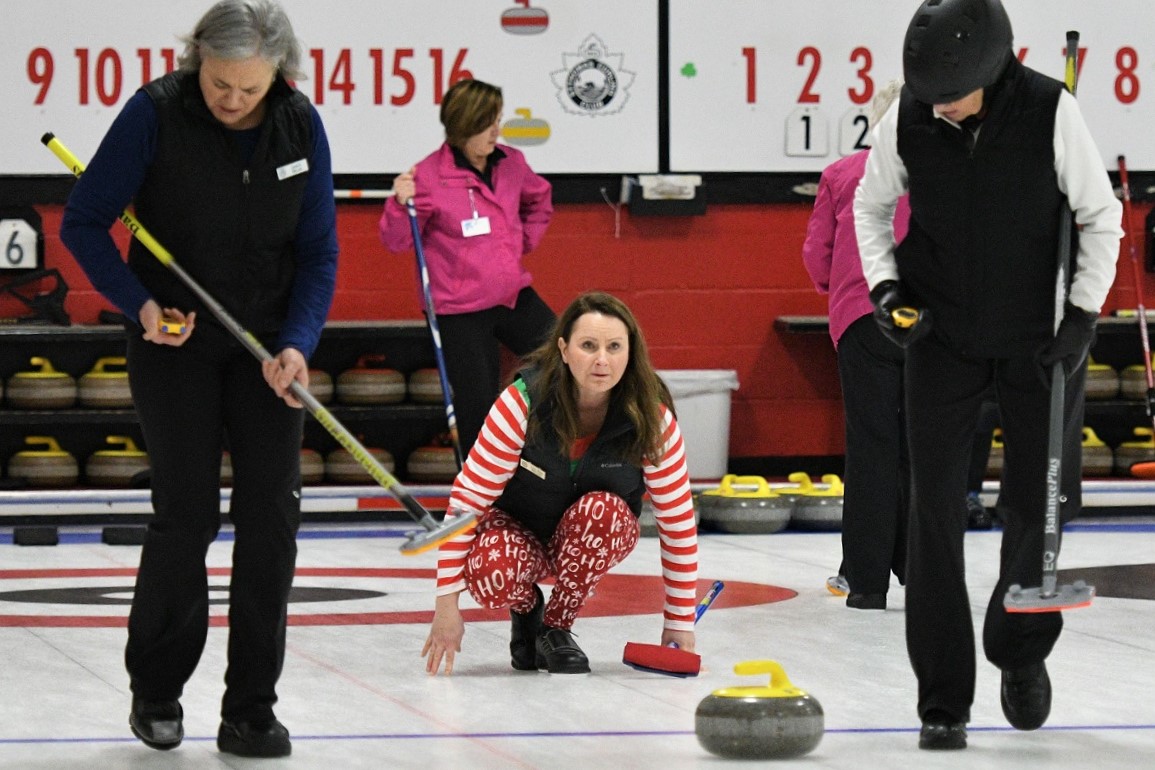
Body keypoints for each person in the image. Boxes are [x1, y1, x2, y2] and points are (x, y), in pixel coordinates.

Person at [59, 0, 338, 758]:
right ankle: (156, 688)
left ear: (278, 74)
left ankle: (251, 706)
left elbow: (317, 251)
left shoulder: (300, 124)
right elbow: (83, 222)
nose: (232, 100)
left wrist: (298, 342)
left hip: (266, 352)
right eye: (219, 83)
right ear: (197, 62)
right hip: (173, 341)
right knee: (186, 516)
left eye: (248, 88)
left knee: (271, 521)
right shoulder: (153, 112)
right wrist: (140, 306)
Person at [853, 0, 1122, 751]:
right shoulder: (906, 117)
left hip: (1038, 338)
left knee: (1038, 513)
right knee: (930, 517)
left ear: (992, 67)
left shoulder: (1047, 110)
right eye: (929, 97)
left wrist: (1081, 317)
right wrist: (885, 289)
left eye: (953, 96)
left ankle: (1018, 649)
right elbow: (869, 210)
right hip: (939, 338)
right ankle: (941, 699)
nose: (940, 109)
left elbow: (1101, 217)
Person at [421, 291, 699, 676]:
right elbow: (467, 503)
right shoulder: (520, 403)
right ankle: (526, 610)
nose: (602, 359)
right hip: (518, 530)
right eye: (588, 345)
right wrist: (446, 606)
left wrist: (679, 622)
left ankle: (556, 627)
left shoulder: (651, 416)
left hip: (591, 532)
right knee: (488, 571)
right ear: (564, 350)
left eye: (614, 347)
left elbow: (677, 523)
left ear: (630, 353)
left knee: (603, 511)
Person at [379, 78, 556, 458]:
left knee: (567, 355)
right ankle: (478, 491)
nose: (497, 130)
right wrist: (399, 202)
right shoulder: (426, 177)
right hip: (458, 309)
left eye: (498, 120)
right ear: (463, 126)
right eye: (487, 122)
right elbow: (396, 241)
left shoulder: (511, 163)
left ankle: (555, 460)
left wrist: (521, 243)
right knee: (477, 400)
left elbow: (539, 201)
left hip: (510, 294)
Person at [802, 79, 911, 611]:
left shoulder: (842, 174)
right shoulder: (943, 175)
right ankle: (920, 565)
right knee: (925, 445)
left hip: (862, 317)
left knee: (871, 446)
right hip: (926, 324)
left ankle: (866, 581)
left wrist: (839, 292)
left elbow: (816, 254)